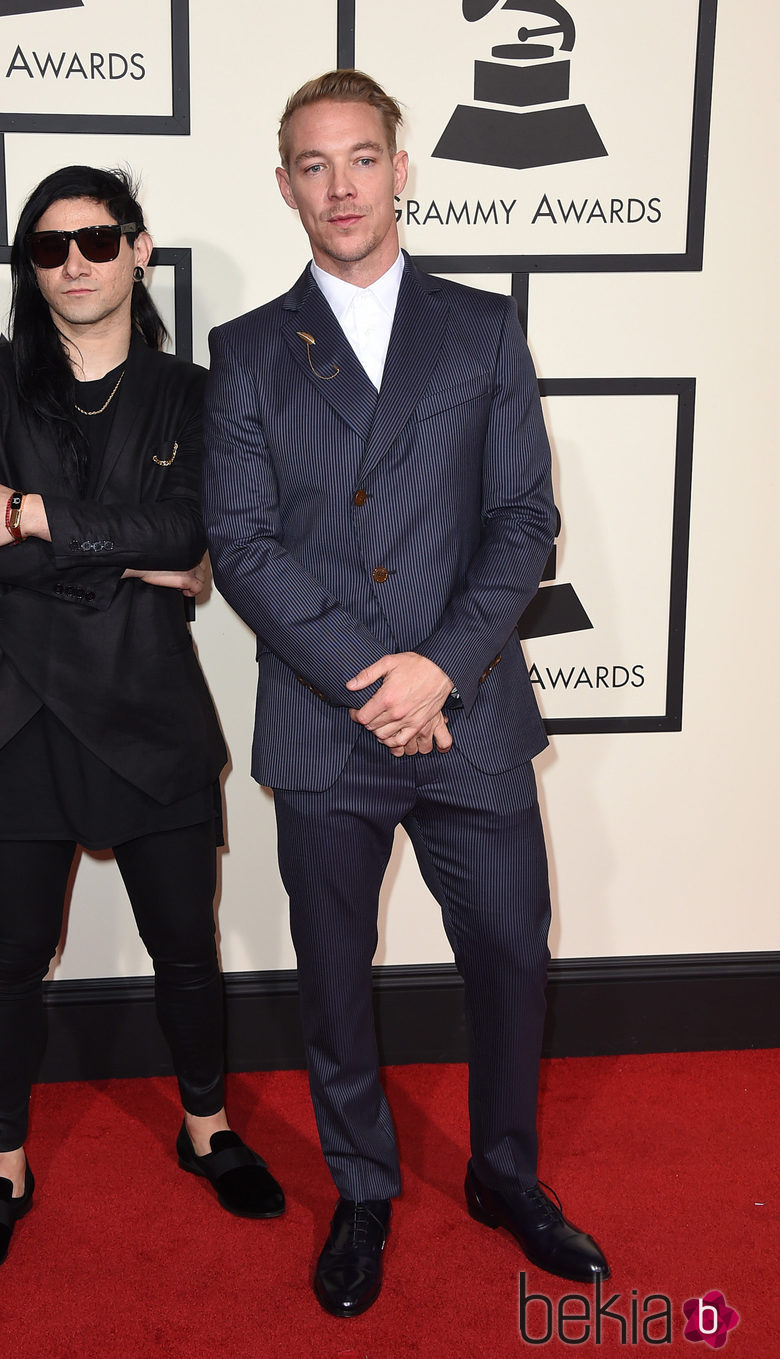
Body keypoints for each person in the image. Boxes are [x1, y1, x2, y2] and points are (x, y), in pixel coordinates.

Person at [201, 72, 608, 1318]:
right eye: (312, 166)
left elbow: (520, 518)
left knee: (507, 958)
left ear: (400, 168)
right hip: (328, 724)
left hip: (470, 705)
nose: (340, 187)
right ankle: (363, 1191)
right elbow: (244, 541)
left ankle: (502, 1174)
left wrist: (439, 668)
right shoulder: (247, 352)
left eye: (361, 159)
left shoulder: (481, 328)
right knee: (332, 978)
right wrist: (374, 684)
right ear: (283, 186)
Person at [0, 164, 284, 1281]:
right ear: (28, 265)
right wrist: (137, 553)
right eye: (48, 247)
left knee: (187, 947)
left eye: (95, 241)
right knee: (10, 957)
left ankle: (205, 1131)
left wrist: (41, 517)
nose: (73, 264)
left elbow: (195, 535)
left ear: (139, 249)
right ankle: (1, 1167)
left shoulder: (196, 391)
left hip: (152, 706)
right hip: (16, 709)